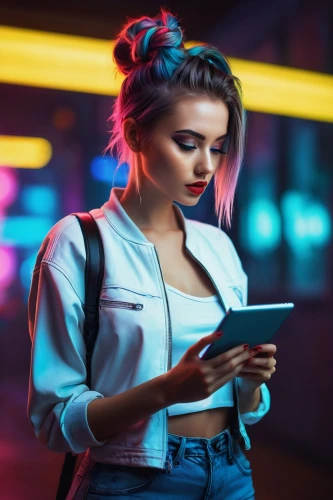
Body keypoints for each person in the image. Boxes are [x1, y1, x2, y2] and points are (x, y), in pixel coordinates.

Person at [27, 7, 276, 500]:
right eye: (187, 143)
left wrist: (249, 380)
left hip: (232, 473)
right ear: (137, 134)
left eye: (218, 147)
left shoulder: (219, 249)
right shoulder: (76, 244)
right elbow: (56, 422)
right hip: (132, 483)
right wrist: (167, 389)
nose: (205, 165)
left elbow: (248, 408)